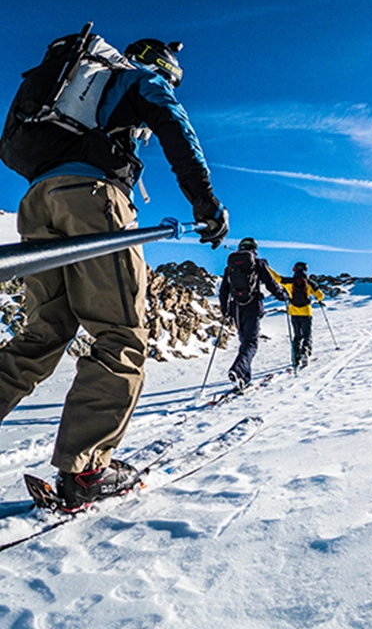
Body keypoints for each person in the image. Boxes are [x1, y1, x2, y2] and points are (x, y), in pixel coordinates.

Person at [0, 37, 228, 511]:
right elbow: (175, 125)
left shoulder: (78, 87)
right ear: (161, 64)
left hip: (37, 202)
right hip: (91, 196)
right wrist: (205, 203)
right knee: (120, 336)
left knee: (42, 334)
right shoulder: (140, 79)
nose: (172, 80)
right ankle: (85, 472)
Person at [218, 237, 289, 389]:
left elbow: (223, 291)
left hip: (236, 309)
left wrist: (226, 311)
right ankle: (238, 370)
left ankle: (244, 378)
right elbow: (270, 283)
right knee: (251, 343)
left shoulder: (229, 267)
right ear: (254, 249)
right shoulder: (258, 263)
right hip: (252, 307)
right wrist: (282, 295)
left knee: (245, 343)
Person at [272, 261, 324, 369]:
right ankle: (306, 351)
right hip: (306, 312)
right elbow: (321, 296)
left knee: (297, 336)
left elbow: (276, 278)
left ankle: (295, 357)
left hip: (294, 313)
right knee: (307, 335)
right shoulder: (310, 283)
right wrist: (316, 298)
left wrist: (266, 267)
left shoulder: (289, 282)